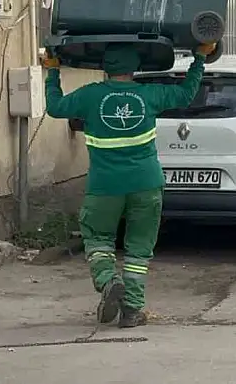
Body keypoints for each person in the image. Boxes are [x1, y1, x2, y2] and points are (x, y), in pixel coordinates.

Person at [41, 42, 215, 327]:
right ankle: (132, 310)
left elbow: (55, 107)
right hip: (146, 184)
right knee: (138, 249)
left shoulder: (90, 96)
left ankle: (108, 280)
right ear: (134, 68)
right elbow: (186, 94)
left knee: (98, 238)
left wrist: (52, 71)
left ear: (105, 68)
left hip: (105, 186)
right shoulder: (150, 95)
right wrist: (199, 58)